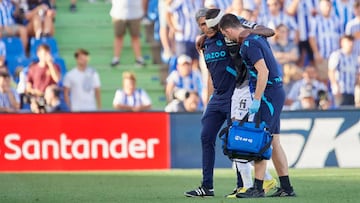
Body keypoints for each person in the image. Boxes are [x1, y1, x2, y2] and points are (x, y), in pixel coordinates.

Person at [184, 8, 275, 198]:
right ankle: (207, 186)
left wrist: (248, 32)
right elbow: (210, 74)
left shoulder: (229, 34)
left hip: (236, 93)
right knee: (206, 136)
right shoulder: (204, 44)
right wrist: (208, 99)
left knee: (237, 141)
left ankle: (243, 185)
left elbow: (267, 31)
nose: (205, 28)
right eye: (201, 25)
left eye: (207, 23)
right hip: (217, 98)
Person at [219, 13, 296, 198]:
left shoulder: (248, 44)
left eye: (224, 34)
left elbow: (263, 72)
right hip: (275, 91)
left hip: (268, 94)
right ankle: (286, 187)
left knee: (262, 138)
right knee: (274, 141)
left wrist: (257, 99)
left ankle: (258, 187)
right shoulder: (256, 37)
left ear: (228, 30)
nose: (226, 39)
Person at [109, 0, 147, 67]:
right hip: (119, 13)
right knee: (118, 37)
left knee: (135, 37)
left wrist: (143, 10)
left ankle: (139, 58)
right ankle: (116, 58)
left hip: (135, 13)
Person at [328, 35, 359, 108]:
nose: (350, 44)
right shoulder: (337, 55)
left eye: (352, 41)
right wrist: (335, 85)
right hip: (341, 90)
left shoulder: (354, 57)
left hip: (351, 90)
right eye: (348, 41)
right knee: (341, 110)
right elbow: (331, 71)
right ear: (342, 43)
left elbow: (357, 73)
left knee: (351, 111)